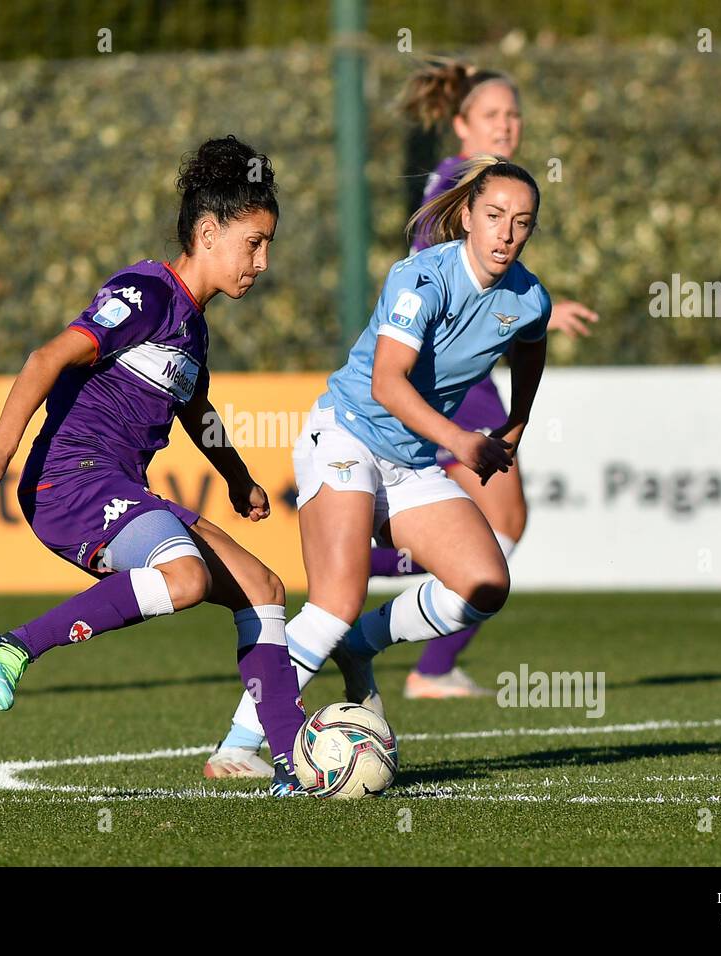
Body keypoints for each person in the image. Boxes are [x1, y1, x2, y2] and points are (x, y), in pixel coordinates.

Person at [0, 135, 308, 797]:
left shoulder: (193, 327)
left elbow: (195, 411)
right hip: (72, 481)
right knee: (184, 578)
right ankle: (14, 645)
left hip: (117, 486)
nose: (263, 262)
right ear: (208, 232)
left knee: (263, 587)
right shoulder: (145, 291)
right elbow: (46, 358)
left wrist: (235, 475)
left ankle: (294, 764)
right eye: (254, 243)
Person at [206, 155, 549, 778]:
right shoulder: (421, 278)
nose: (505, 232)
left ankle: (362, 644)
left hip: (411, 461)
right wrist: (465, 443)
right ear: (467, 215)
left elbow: (532, 343)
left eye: (520, 223)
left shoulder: (528, 297)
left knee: (485, 585)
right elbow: (389, 386)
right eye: (494, 215)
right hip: (345, 437)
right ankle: (237, 745)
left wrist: (517, 421)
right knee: (335, 599)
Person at [376, 60, 600, 700]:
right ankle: (424, 659)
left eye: (513, 114)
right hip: (454, 381)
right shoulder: (459, 181)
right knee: (501, 525)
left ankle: (359, 580)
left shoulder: (483, 188)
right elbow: (431, 272)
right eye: (492, 115)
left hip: (469, 377)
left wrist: (544, 311)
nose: (507, 124)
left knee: (492, 524)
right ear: (460, 124)